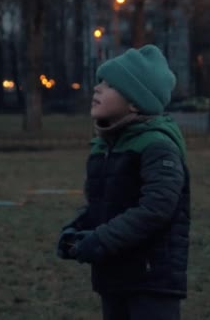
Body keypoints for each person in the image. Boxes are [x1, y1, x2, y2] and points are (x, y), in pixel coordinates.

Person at [56, 44, 190, 320]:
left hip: (151, 280)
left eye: (110, 84)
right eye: (100, 82)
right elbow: (106, 204)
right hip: (114, 274)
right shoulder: (105, 147)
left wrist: (100, 240)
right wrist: (78, 229)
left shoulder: (157, 146)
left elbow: (156, 208)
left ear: (134, 101)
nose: (97, 89)